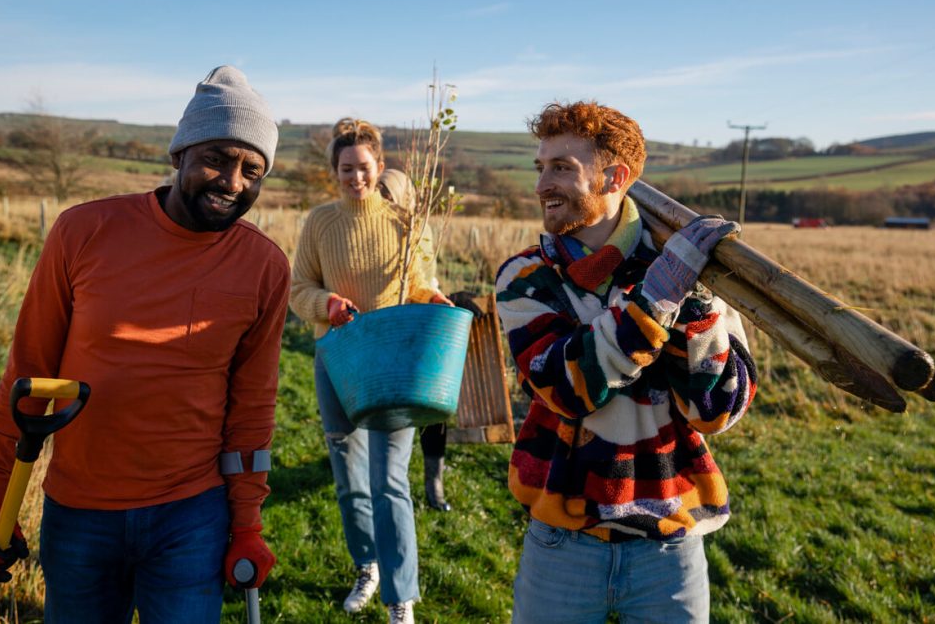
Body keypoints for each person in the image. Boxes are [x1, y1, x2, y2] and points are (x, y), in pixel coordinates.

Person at [0, 65, 290, 623]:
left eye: (252, 170)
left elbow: (251, 408)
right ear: (179, 154)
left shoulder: (264, 266)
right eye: (217, 158)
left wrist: (247, 524)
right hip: (80, 511)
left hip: (192, 513)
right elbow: (28, 373)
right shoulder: (83, 232)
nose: (233, 182)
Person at [495, 101, 758, 623]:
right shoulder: (526, 277)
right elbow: (571, 389)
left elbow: (718, 410)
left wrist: (699, 304)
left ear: (616, 177)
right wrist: (656, 301)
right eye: (540, 168)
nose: (542, 184)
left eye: (562, 168)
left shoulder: (688, 271)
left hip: (670, 544)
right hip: (563, 544)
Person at [289, 120, 450, 624]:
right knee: (349, 479)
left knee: (389, 482)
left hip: (393, 367)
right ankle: (367, 566)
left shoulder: (407, 222)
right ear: (334, 172)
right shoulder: (318, 223)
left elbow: (422, 284)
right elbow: (298, 292)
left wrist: (433, 299)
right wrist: (326, 303)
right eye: (345, 169)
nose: (355, 177)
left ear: (379, 168)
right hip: (337, 361)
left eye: (364, 167)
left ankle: (401, 594)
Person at [377, 169, 457, 513]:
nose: (380, 199)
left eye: (387, 192)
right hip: (378, 329)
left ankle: (432, 481)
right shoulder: (369, 229)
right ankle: (377, 473)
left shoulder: (418, 230)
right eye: (378, 191)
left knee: (430, 407)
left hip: (417, 324)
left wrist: (430, 298)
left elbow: (424, 278)